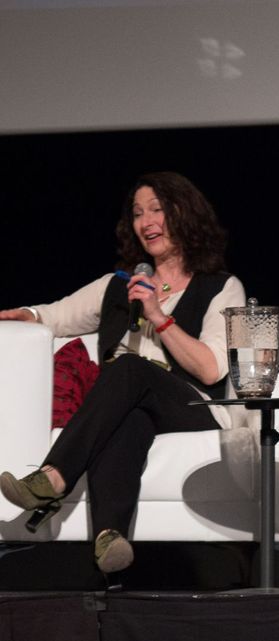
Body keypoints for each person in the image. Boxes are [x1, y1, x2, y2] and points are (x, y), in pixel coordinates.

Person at [0, 172, 245, 575]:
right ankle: (110, 538)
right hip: (132, 405)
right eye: (137, 213)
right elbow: (54, 315)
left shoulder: (220, 287)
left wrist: (158, 317)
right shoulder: (117, 285)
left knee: (130, 367)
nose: (146, 222)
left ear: (185, 214)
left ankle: (54, 476)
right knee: (130, 418)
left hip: (192, 404)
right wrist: (23, 316)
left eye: (156, 210)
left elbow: (212, 367)